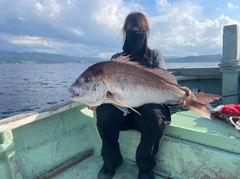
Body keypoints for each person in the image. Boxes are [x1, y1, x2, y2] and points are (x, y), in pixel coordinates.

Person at [88, 12, 191, 179]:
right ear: (125, 31)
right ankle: (111, 162)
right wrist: (96, 100)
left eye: (140, 28)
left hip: (147, 116)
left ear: (147, 31)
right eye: (131, 28)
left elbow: (164, 80)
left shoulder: (154, 55)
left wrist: (180, 92)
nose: (135, 32)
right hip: (125, 112)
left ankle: (145, 168)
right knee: (104, 113)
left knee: (153, 113)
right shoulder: (116, 59)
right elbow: (108, 90)